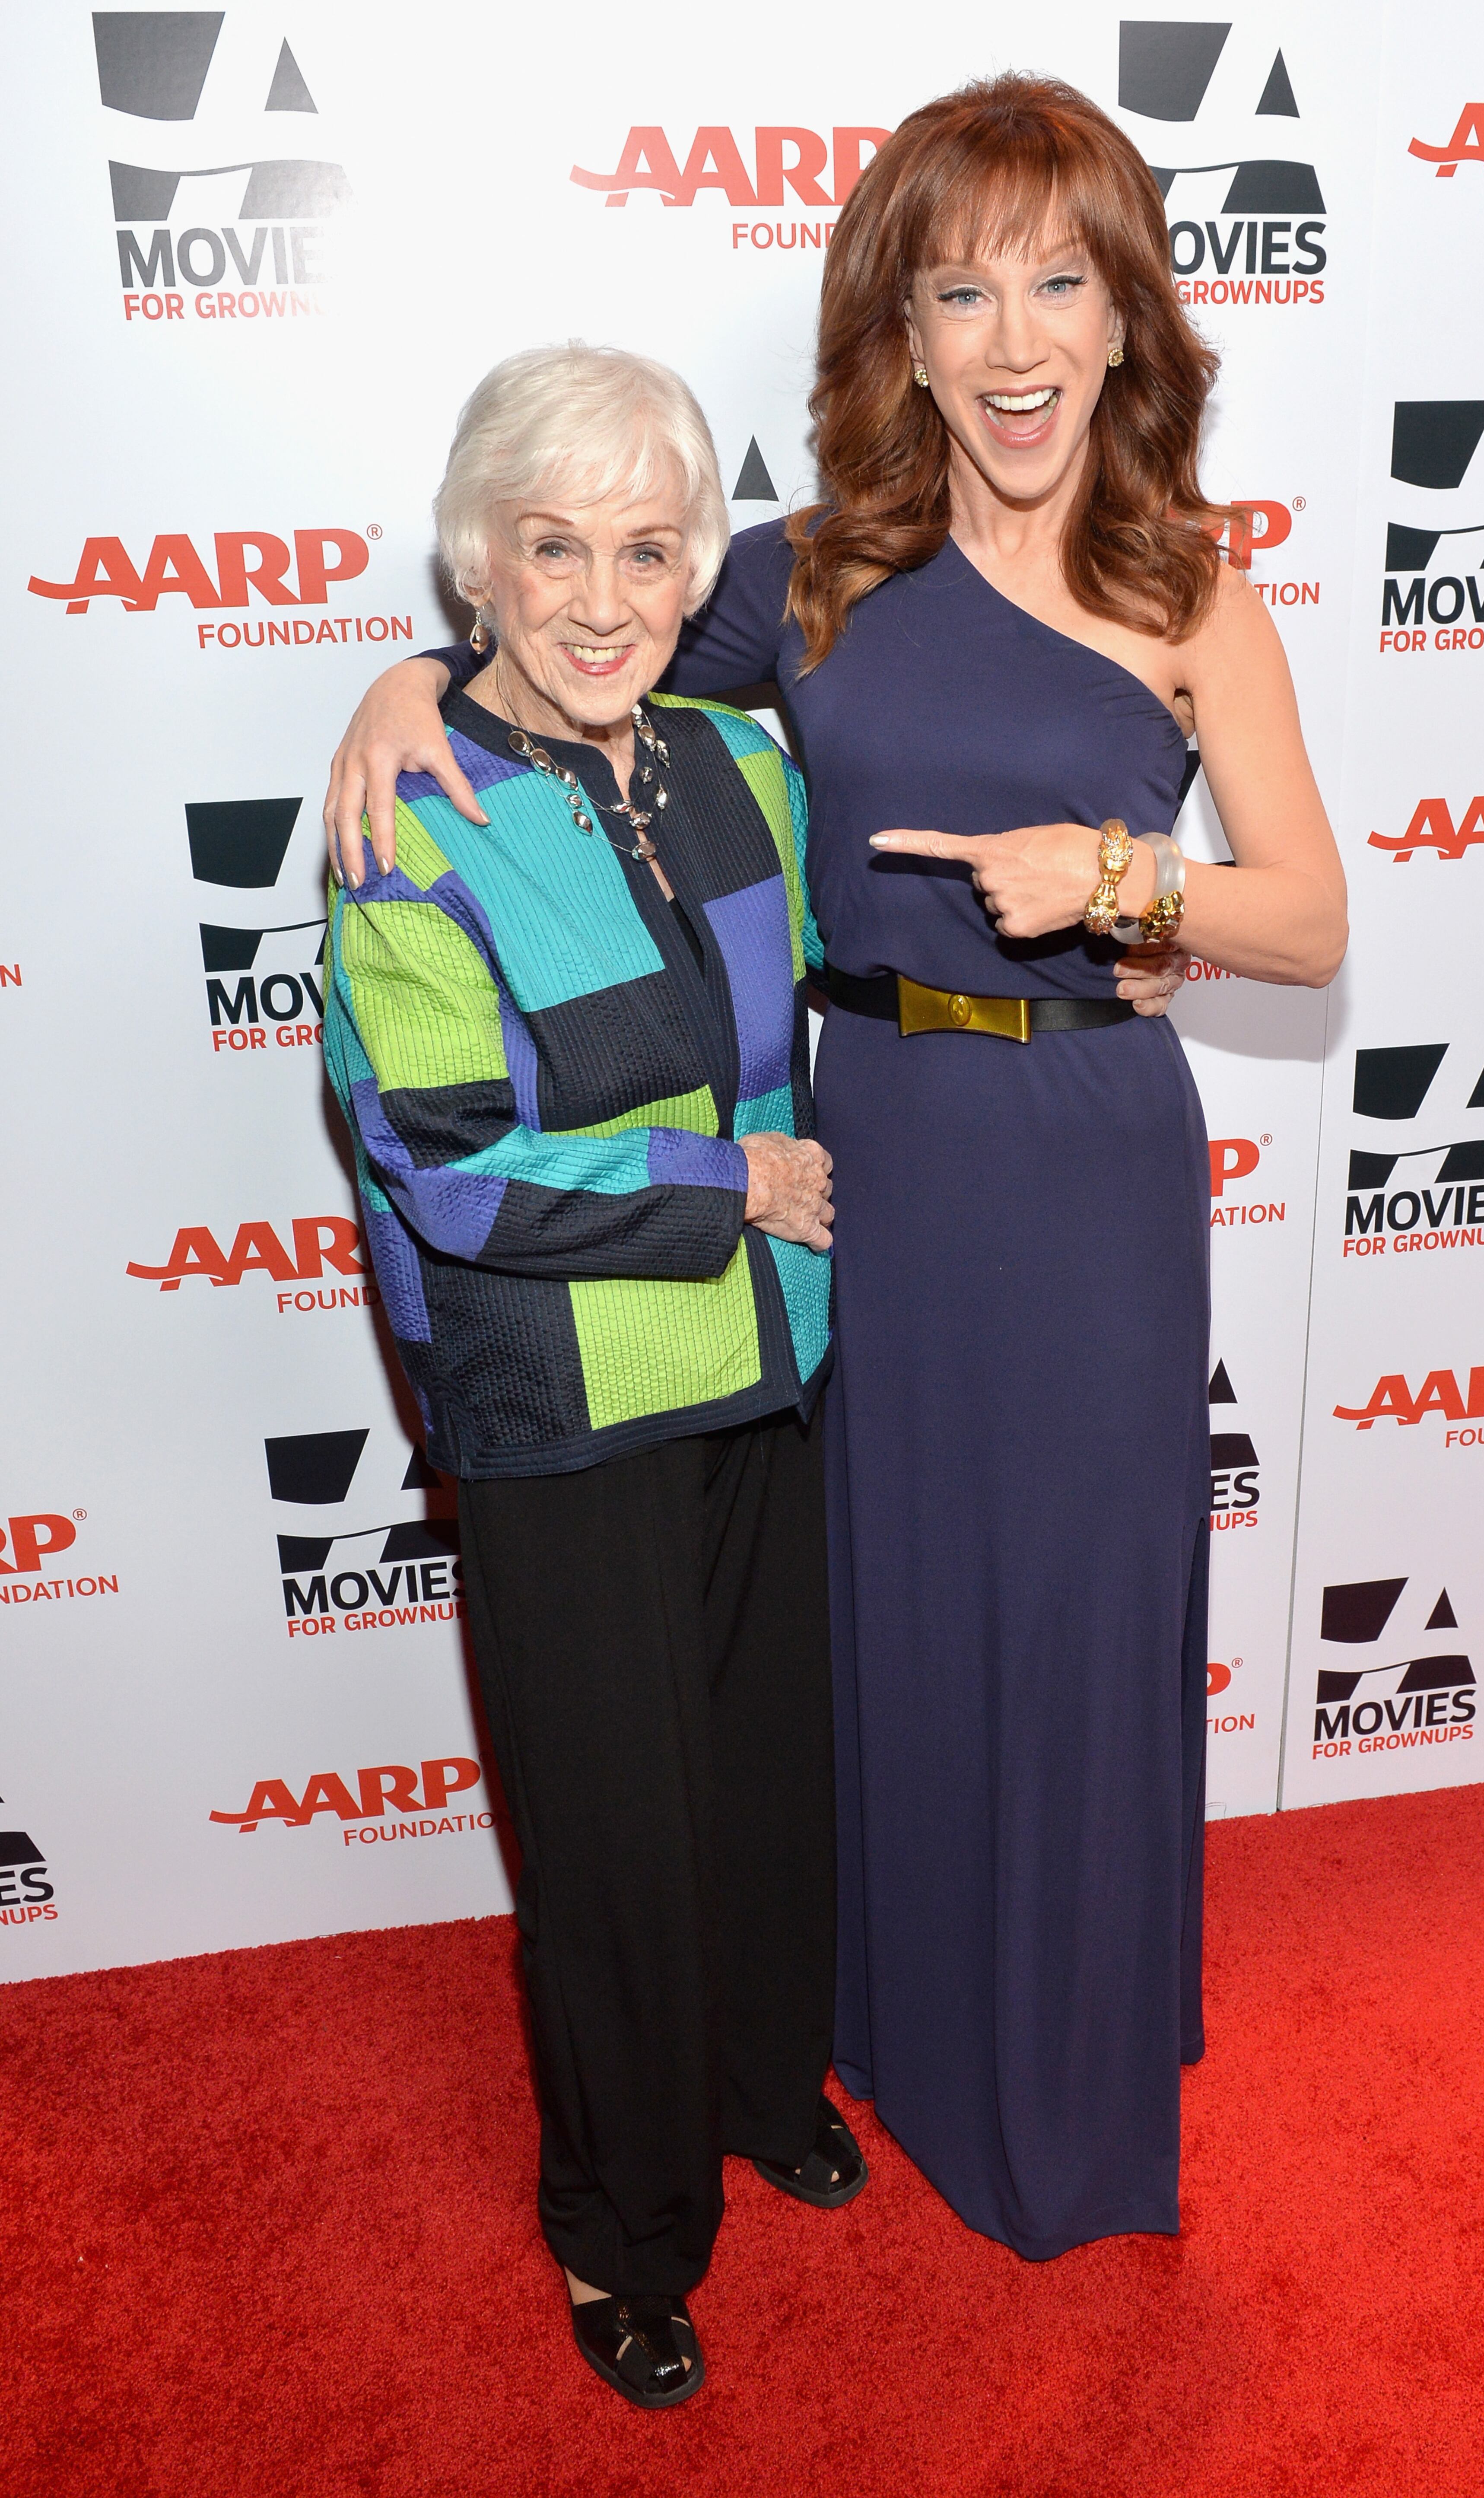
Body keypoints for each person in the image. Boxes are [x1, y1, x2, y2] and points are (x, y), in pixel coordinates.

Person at [326, 75, 1347, 2263]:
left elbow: (1312, 918)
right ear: (905, 331)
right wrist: (398, 687)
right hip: (862, 1157)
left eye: (1058, 283)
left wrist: (1127, 883)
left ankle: (1054, 2085)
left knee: (1067, 1628)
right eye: (961, 291)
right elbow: (564, 640)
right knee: (874, 1625)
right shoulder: (817, 576)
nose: (1013, 342)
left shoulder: (1195, 594)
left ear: (1128, 317)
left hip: (1085, 1171)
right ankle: (862, 2022)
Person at [322, 343, 867, 2410]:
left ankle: (760, 2087)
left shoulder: (740, 761)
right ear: (479, 561)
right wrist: (727, 1184)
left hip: (764, 1361)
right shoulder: (410, 819)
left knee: (764, 1779)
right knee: (617, 1846)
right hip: (561, 1405)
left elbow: (858, 961)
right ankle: (618, 2234)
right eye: (553, 547)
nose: (602, 596)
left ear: (696, 566)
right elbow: (449, 1172)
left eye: (648, 550)